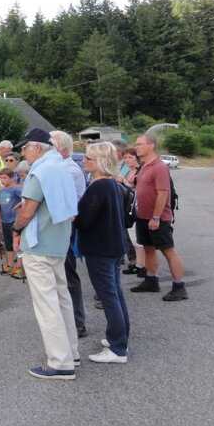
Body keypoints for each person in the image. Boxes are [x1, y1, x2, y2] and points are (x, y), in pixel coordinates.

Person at [12, 128, 79, 380]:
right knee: (62, 299)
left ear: (37, 148)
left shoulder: (39, 170)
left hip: (39, 244)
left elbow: (28, 210)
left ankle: (60, 363)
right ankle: (71, 352)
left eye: (25, 148)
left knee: (46, 304)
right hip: (59, 241)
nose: (23, 153)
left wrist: (15, 228)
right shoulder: (62, 166)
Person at [76, 142, 130, 364]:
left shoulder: (99, 186)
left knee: (108, 296)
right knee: (115, 293)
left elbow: (84, 220)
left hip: (101, 248)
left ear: (99, 162)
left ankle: (118, 348)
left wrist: (73, 216)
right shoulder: (113, 184)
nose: (83, 161)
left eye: (88, 158)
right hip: (113, 246)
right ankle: (120, 338)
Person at [131, 133, 188, 301]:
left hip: (157, 218)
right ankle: (151, 280)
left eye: (140, 144)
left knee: (168, 250)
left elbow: (163, 194)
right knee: (148, 248)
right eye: (136, 144)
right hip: (142, 216)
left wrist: (156, 217)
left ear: (151, 146)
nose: (136, 147)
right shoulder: (144, 165)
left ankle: (179, 286)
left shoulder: (159, 167)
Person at [50, 130, 88, 339]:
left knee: (68, 274)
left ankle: (77, 321)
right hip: (60, 227)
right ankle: (69, 319)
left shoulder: (69, 170)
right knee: (61, 275)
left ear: (60, 149)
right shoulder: (59, 167)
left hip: (67, 228)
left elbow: (67, 204)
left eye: (51, 145)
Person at [121, 147, 146, 276]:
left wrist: (122, 181)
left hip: (136, 207)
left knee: (137, 239)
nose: (127, 160)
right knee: (129, 237)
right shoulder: (125, 169)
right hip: (126, 206)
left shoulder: (140, 170)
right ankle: (135, 263)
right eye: (125, 157)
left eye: (130, 157)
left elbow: (136, 187)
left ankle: (141, 265)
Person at [0, 168, 22, 277]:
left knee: (18, 245)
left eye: (5, 178)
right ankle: (10, 265)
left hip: (14, 220)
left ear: (11, 178)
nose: (2, 180)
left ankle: (19, 267)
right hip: (5, 220)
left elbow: (25, 200)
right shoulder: (1, 190)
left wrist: (19, 206)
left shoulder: (16, 189)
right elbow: (0, 205)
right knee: (8, 245)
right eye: (0, 178)